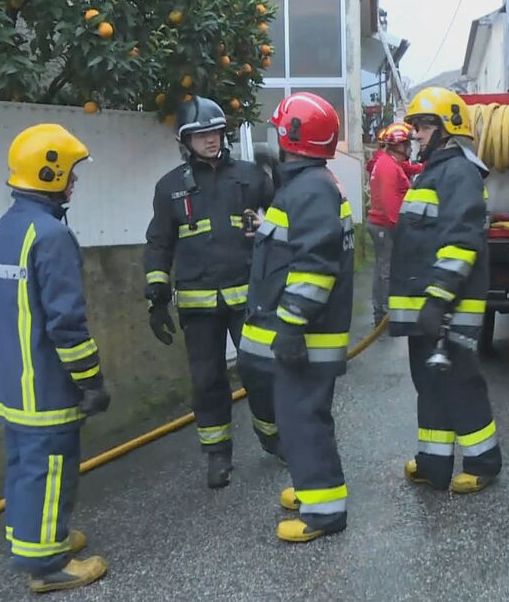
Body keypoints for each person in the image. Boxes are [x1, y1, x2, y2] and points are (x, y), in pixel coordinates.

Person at [0, 124, 109, 593]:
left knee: (26, 464)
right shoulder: (52, 236)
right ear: (52, 174)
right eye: (71, 173)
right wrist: (92, 381)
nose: (75, 181)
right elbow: (66, 325)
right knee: (50, 467)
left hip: (11, 380)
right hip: (46, 382)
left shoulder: (4, 227)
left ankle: (35, 537)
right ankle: (46, 566)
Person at [238, 92, 355, 543]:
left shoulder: (308, 190)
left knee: (302, 419)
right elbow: (297, 248)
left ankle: (324, 514)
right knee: (300, 417)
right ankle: (314, 491)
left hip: (306, 336)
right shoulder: (311, 186)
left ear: (291, 137)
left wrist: (291, 326)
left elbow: (314, 267)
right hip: (308, 333)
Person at [143, 96, 275, 489]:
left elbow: (281, 226)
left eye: (215, 132)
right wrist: (156, 293)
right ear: (186, 141)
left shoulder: (252, 177)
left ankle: (272, 434)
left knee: (260, 371)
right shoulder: (169, 188)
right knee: (206, 380)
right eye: (201, 135)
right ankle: (217, 455)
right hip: (199, 305)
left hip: (248, 301)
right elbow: (158, 244)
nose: (211, 140)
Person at [389, 86, 502, 492]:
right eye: (415, 126)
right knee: (430, 382)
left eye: (421, 126)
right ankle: (433, 463)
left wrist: (438, 298)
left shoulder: (459, 173)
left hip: (449, 304)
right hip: (431, 306)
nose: (415, 134)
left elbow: (461, 241)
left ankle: (483, 462)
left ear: (446, 128)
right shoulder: (435, 173)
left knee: (460, 381)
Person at [366, 122, 418, 325]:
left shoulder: (389, 162)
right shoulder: (388, 166)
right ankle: (384, 315)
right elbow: (389, 202)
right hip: (385, 226)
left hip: (382, 225)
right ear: (399, 146)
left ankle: (382, 312)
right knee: (385, 271)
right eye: (407, 144)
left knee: (382, 269)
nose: (410, 148)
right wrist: (400, 228)